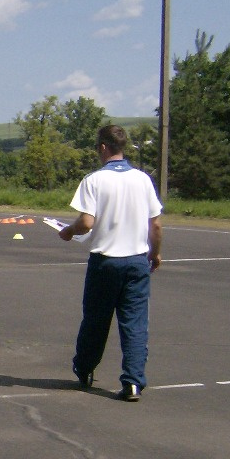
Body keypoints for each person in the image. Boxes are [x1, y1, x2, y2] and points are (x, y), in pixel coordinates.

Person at [58, 124, 163, 401]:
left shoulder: (94, 180)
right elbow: (156, 225)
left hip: (106, 261)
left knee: (96, 320)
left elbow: (86, 222)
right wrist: (155, 253)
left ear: (103, 147)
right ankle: (133, 382)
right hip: (137, 261)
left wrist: (68, 230)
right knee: (135, 324)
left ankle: (84, 367)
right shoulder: (143, 179)